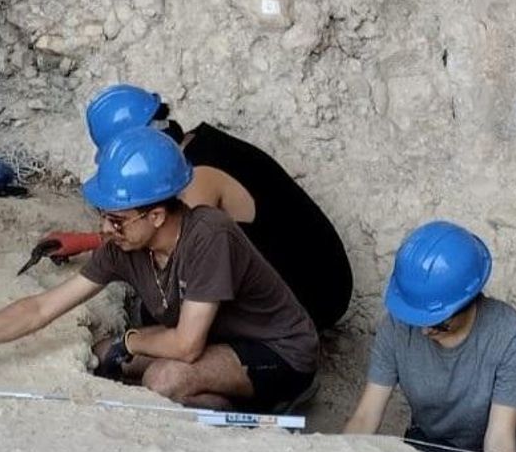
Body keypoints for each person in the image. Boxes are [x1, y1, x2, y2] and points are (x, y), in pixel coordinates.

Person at [0, 127, 320, 412]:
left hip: (278, 351)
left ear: (157, 215)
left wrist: (133, 339)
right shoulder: (125, 244)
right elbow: (41, 308)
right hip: (216, 338)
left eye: (117, 219)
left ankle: (263, 408)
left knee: (163, 380)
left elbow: (186, 347)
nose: (106, 229)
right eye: (104, 216)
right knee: (101, 355)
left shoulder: (209, 235)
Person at [28, 84, 353, 331]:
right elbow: (152, 225)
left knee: (162, 314)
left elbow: (178, 246)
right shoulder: (194, 148)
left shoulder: (197, 178)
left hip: (315, 290)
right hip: (311, 272)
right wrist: (83, 241)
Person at [343, 221, 516, 452]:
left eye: (437, 322)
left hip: (485, 451)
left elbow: (499, 439)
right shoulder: (398, 325)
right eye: (418, 319)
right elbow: (366, 416)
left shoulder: (509, 335)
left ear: (468, 302)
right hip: (431, 442)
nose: (424, 331)